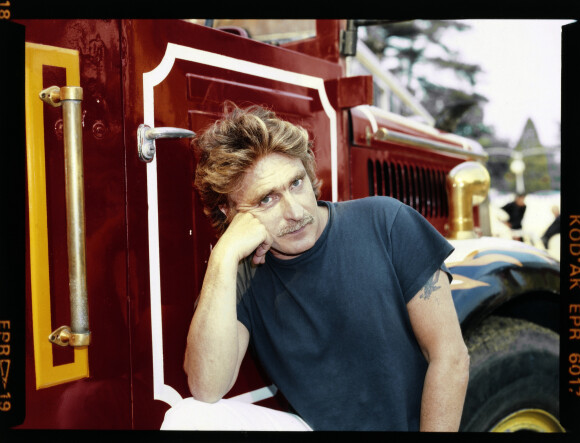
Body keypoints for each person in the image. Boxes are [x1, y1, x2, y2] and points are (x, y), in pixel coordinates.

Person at [172, 103, 469, 432]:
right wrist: (223, 257)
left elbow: (450, 356)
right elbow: (206, 387)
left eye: (296, 183)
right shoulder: (243, 272)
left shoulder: (387, 222)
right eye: (266, 199)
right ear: (230, 212)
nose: (295, 211)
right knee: (189, 417)